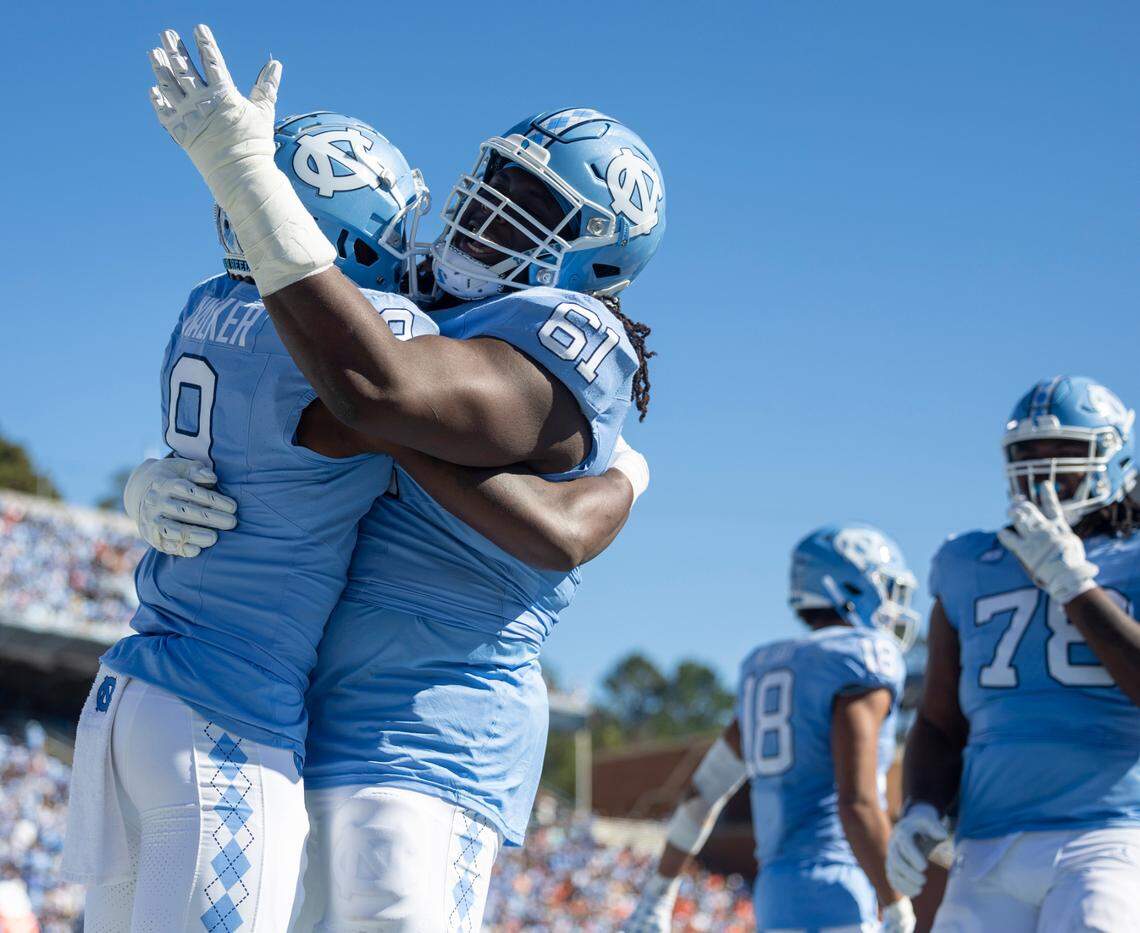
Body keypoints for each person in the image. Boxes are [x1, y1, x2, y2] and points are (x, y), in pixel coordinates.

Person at [68, 101, 642, 932]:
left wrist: (622, 475)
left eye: (531, 200)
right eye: (491, 184)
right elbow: (370, 393)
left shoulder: (213, 306)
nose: (478, 210)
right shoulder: (385, 332)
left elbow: (388, 403)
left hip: (399, 729)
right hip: (246, 717)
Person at [888, 375, 1140, 933]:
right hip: (986, 843)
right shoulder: (968, 560)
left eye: (1065, 451)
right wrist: (921, 807)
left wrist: (1075, 586)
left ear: (1114, 458)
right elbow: (937, 720)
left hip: (1111, 834)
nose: (1042, 468)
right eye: (1027, 451)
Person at [627, 524, 918, 933]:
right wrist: (897, 902)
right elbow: (857, 803)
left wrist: (658, 894)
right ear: (850, 586)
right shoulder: (858, 659)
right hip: (838, 887)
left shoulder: (766, 668)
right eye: (885, 587)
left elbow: (703, 793)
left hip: (775, 893)